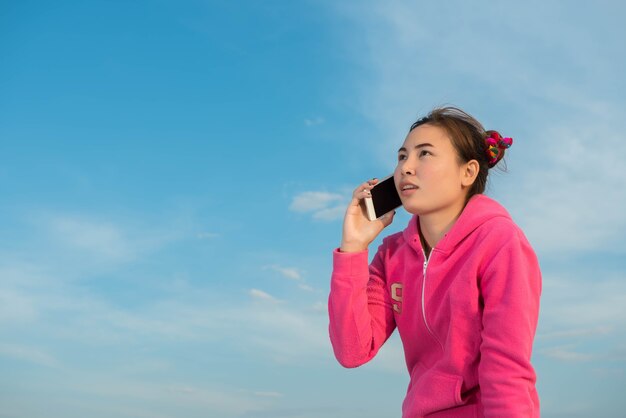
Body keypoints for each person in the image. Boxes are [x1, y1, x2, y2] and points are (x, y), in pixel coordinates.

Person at [328, 106, 541, 417]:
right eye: (402, 157)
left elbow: (507, 369)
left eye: (424, 154)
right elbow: (352, 351)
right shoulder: (392, 254)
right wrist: (353, 248)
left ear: (468, 173)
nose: (406, 168)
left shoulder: (499, 242)